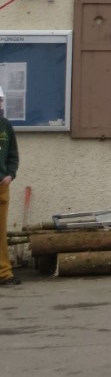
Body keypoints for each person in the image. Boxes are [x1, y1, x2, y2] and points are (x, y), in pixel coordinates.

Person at [0, 84, 20, 287]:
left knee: (0, 233)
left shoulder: (6, 126)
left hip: (1, 187)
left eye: (0, 100)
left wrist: (10, 174)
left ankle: (4, 273)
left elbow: (13, 154)